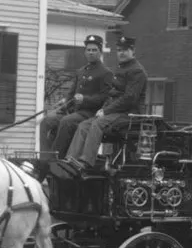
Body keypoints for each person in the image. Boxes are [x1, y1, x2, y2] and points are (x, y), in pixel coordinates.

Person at [60, 35, 148, 174]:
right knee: (84, 125)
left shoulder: (136, 71)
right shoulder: (120, 69)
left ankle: (86, 162)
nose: (122, 53)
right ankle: (71, 160)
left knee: (97, 124)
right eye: (119, 50)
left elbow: (129, 99)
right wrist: (103, 109)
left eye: (125, 50)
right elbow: (112, 94)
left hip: (130, 114)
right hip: (115, 112)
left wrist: (106, 112)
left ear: (133, 51)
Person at [39, 34, 114, 167]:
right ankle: (44, 158)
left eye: (94, 50)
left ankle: (57, 159)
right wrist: (64, 103)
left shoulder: (105, 73)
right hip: (73, 110)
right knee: (47, 121)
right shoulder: (81, 71)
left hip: (89, 113)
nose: (90, 53)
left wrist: (85, 99)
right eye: (88, 50)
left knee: (66, 122)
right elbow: (72, 93)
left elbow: (104, 97)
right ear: (85, 52)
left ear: (100, 52)